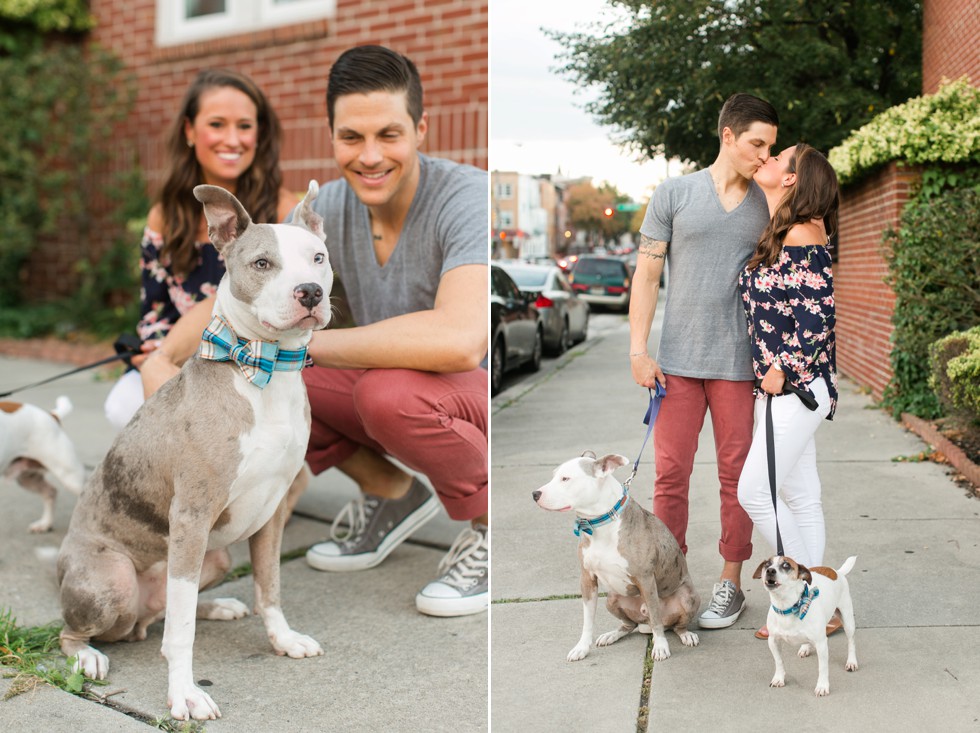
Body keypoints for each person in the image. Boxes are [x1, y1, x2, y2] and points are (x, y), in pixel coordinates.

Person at [139, 46, 489, 618]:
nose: (370, 156)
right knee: (268, 382)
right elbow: (246, 279)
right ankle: (392, 495)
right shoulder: (324, 209)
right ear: (331, 136)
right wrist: (164, 356)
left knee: (368, 388)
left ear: (421, 129)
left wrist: (296, 342)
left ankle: (485, 526)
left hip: (466, 395)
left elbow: (460, 341)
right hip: (389, 386)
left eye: (389, 135)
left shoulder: (466, 196)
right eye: (351, 137)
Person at [629, 93, 778, 630]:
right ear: (728, 136)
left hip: (741, 366)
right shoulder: (674, 193)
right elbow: (646, 274)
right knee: (670, 475)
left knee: (737, 479)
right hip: (677, 365)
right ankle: (669, 583)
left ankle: (730, 585)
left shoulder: (769, 203)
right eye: (757, 144)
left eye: (771, 147)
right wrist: (638, 350)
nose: (765, 155)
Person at [103, 68, 296, 429]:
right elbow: (154, 310)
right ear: (190, 131)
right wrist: (157, 351)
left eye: (244, 126)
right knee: (122, 406)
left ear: (260, 133)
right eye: (217, 124)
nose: (232, 139)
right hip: (183, 361)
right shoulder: (166, 215)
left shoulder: (280, 211)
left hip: (260, 363)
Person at [736, 143, 840, 639]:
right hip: (788, 388)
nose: (769, 160)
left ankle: (804, 599)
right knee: (800, 495)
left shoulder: (801, 233)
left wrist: (781, 369)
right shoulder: (790, 229)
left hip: (795, 389)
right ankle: (824, 605)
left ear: (793, 179)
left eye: (780, 158)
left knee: (754, 490)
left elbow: (818, 319)